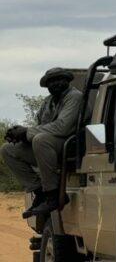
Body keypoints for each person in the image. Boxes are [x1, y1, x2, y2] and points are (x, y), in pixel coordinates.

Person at [2, 68, 82, 218]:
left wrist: (27, 132)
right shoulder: (48, 101)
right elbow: (40, 125)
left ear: (67, 80)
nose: (55, 84)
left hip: (71, 144)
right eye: (51, 82)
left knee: (40, 139)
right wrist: (19, 135)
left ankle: (53, 194)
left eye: (59, 79)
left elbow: (63, 127)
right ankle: (39, 192)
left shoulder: (74, 97)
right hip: (48, 147)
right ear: (47, 86)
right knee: (8, 149)